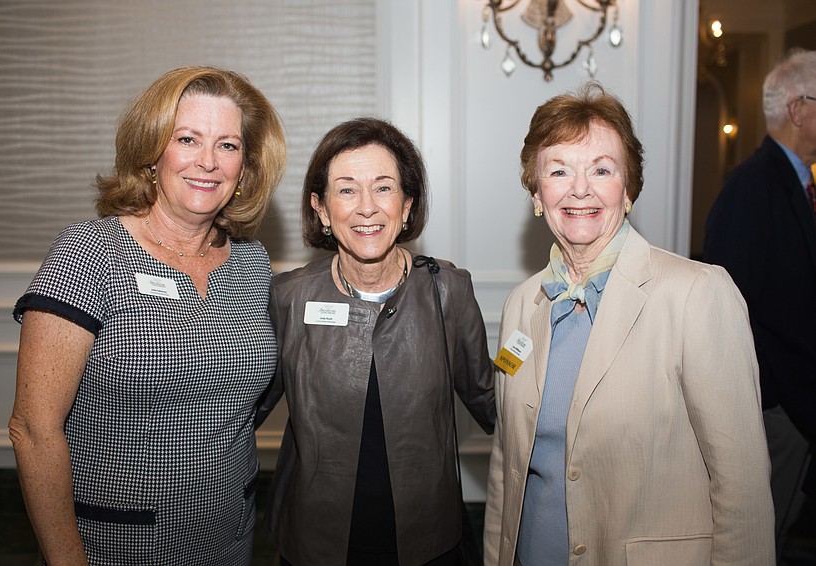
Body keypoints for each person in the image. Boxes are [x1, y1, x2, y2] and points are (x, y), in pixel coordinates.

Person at [484, 83, 774, 565]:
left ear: (628, 188)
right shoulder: (521, 304)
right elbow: (505, 461)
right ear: (536, 193)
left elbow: (742, 485)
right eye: (559, 170)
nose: (580, 188)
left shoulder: (697, 294)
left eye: (602, 169)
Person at [8, 66, 286, 565]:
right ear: (152, 154)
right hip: (119, 541)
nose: (208, 161)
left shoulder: (252, 262)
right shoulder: (89, 253)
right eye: (187, 139)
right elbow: (33, 429)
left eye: (227, 145)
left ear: (245, 168)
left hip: (230, 533)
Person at [255, 117, 495, 566]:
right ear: (321, 210)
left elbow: (494, 404)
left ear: (406, 206)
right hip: (315, 538)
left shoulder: (449, 291)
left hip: (427, 538)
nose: (367, 208)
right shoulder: (288, 297)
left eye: (383, 188)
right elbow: (239, 413)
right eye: (346, 190)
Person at [704, 48, 816, 554]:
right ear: (798, 109)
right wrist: (768, 397)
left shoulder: (797, 180)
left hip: (798, 398)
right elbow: (729, 305)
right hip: (777, 403)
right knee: (754, 540)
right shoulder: (752, 187)